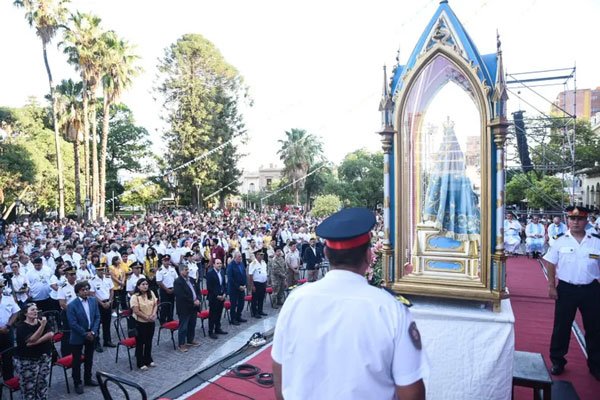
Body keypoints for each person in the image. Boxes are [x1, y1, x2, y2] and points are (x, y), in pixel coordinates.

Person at [272, 208, 427, 400]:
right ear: (369, 256)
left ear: (326, 253)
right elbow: (411, 390)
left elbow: (279, 371)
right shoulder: (390, 310)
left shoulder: (295, 301)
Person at [543, 206, 600, 380]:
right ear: (568, 220)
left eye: (580, 219)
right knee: (562, 326)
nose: (576, 222)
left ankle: (596, 365)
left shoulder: (596, 241)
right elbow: (551, 263)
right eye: (572, 219)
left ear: (586, 220)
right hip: (566, 289)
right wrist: (551, 286)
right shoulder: (560, 240)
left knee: (595, 328)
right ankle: (558, 361)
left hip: (591, 289)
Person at [14, 303, 54, 400]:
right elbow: (31, 339)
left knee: (43, 383)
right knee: (29, 388)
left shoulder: (40, 321)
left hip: (44, 357)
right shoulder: (21, 327)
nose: (35, 311)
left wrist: (36, 342)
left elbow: (50, 334)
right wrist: (42, 326)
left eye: (36, 309)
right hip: (28, 361)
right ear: (25, 313)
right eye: (32, 310)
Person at [67, 281, 100, 394]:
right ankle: (77, 382)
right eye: (83, 290)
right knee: (76, 361)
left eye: (87, 289)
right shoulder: (72, 305)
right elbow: (73, 323)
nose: (85, 291)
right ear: (77, 292)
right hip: (78, 336)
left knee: (89, 358)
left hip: (91, 334)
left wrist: (93, 332)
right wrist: (85, 334)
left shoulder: (93, 301)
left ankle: (88, 378)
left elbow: (97, 317)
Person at [130, 278, 158, 370]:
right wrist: (147, 317)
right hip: (141, 323)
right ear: (138, 286)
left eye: (146, 284)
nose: (145, 286)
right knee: (140, 343)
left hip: (151, 321)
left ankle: (148, 359)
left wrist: (153, 314)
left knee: (149, 341)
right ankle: (140, 362)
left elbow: (155, 304)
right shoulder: (135, 297)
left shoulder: (151, 293)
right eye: (143, 284)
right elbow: (136, 311)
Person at [173, 264, 200, 352]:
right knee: (183, 326)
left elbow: (197, 290)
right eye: (185, 270)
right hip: (184, 308)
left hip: (193, 307)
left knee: (192, 324)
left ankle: (190, 340)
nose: (187, 271)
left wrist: (198, 299)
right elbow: (181, 296)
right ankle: (181, 344)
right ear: (181, 271)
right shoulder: (178, 282)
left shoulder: (191, 279)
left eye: (188, 269)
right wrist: (193, 301)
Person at [89, 264, 115, 352]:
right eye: (99, 270)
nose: (101, 271)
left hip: (108, 302)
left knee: (107, 323)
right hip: (98, 304)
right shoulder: (92, 280)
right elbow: (92, 294)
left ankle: (107, 340)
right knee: (97, 324)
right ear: (96, 270)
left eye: (102, 269)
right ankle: (97, 343)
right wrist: (101, 303)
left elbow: (111, 290)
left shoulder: (108, 278)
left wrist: (110, 301)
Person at [0, 279, 20, 381]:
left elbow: (15, 312)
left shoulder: (8, 298)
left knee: (8, 356)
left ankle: (9, 380)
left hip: (7, 331)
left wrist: (8, 325)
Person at [205, 258, 228, 339]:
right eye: (217, 263)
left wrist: (224, 293)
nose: (219, 265)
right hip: (214, 298)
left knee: (219, 313)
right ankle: (211, 331)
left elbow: (224, 284)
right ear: (214, 264)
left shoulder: (222, 272)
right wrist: (217, 295)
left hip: (222, 296)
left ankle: (218, 328)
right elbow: (209, 287)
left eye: (220, 263)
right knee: (212, 315)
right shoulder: (210, 273)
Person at [226, 251, 247, 325]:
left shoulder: (241, 264)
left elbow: (244, 274)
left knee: (241, 303)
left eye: (241, 256)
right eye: (239, 256)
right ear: (235, 257)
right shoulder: (231, 265)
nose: (240, 258)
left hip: (242, 287)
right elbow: (230, 278)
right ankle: (233, 318)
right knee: (233, 304)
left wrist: (244, 284)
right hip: (234, 288)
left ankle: (238, 316)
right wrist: (238, 286)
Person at [156, 254, 177, 322]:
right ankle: (162, 320)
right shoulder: (160, 270)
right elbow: (159, 281)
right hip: (164, 290)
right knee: (164, 305)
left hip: (172, 288)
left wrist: (173, 288)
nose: (167, 262)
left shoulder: (172, 269)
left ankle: (170, 318)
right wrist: (166, 289)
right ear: (162, 261)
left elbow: (176, 279)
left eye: (168, 260)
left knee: (172, 305)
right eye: (165, 260)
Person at [248, 249, 268, 318]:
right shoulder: (253, 263)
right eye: (260, 254)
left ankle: (260, 310)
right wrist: (252, 286)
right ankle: (254, 312)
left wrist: (266, 281)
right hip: (256, 283)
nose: (262, 256)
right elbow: (250, 275)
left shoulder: (263, 262)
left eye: (262, 255)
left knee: (261, 297)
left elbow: (265, 272)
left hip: (263, 283)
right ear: (256, 255)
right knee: (255, 298)